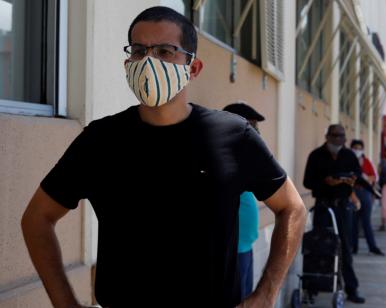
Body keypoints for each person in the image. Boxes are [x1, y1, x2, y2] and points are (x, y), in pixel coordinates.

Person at [20, 6, 306, 308]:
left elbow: (292, 208)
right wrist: (64, 302)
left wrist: (265, 294)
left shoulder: (234, 136)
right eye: (139, 50)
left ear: (193, 68)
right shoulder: (101, 140)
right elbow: (37, 218)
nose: (149, 61)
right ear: (127, 61)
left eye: (166, 51)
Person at [303, 124, 366, 304]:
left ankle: (351, 289)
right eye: (335, 135)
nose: (339, 139)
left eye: (342, 136)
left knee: (345, 247)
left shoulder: (349, 155)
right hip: (323, 206)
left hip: (342, 207)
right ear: (328, 136)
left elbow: (358, 178)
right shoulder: (315, 156)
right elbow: (307, 182)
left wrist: (351, 181)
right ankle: (312, 287)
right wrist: (326, 182)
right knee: (318, 245)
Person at [223, 101, 265, 300]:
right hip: (231, 250)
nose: (256, 131)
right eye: (252, 125)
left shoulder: (244, 155)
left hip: (245, 246)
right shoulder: (222, 155)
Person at [349, 139, 384, 256]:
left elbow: (375, 177)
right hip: (352, 193)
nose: (357, 150)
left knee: (366, 222)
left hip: (365, 193)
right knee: (353, 222)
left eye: (359, 148)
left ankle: (372, 246)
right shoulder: (348, 161)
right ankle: (353, 247)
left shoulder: (367, 162)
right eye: (355, 148)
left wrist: (366, 178)